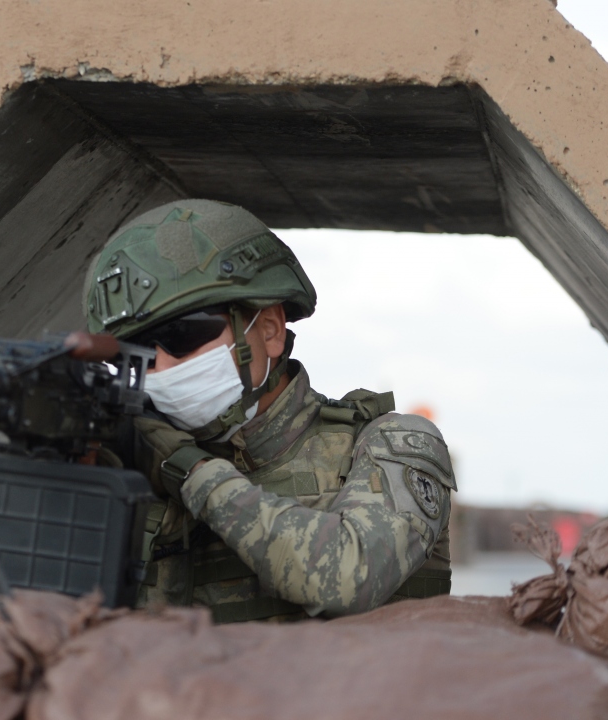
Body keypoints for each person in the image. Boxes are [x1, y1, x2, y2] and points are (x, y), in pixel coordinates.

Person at [84, 199, 455, 623]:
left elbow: (349, 576)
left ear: (269, 330)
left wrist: (189, 470)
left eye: (183, 336)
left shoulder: (388, 443)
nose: (162, 368)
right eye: (137, 354)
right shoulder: (128, 465)